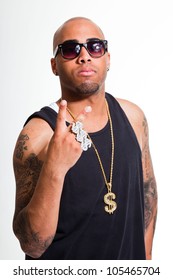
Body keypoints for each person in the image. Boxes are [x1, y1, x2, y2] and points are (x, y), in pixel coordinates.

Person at [13, 17, 157, 260]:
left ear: (107, 58)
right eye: (70, 49)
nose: (85, 56)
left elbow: (148, 194)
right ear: (54, 66)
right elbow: (32, 245)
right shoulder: (38, 134)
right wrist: (55, 168)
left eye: (95, 46)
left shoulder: (133, 118)